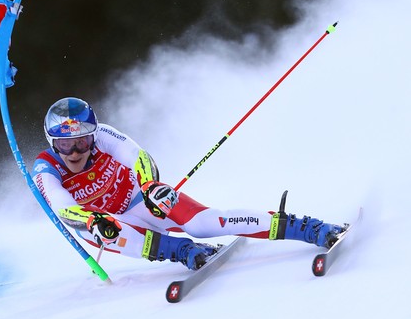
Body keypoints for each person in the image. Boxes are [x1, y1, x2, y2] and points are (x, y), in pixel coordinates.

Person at [32, 97, 345, 270]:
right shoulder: (46, 168)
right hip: (108, 223)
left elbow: (139, 157)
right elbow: (63, 208)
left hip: (141, 202)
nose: (75, 152)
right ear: (52, 143)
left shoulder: (104, 135)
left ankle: (304, 227)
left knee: (204, 222)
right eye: (65, 145)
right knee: (104, 231)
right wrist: (89, 218)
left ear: (92, 135)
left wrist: (150, 186)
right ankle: (182, 250)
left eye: (83, 142)